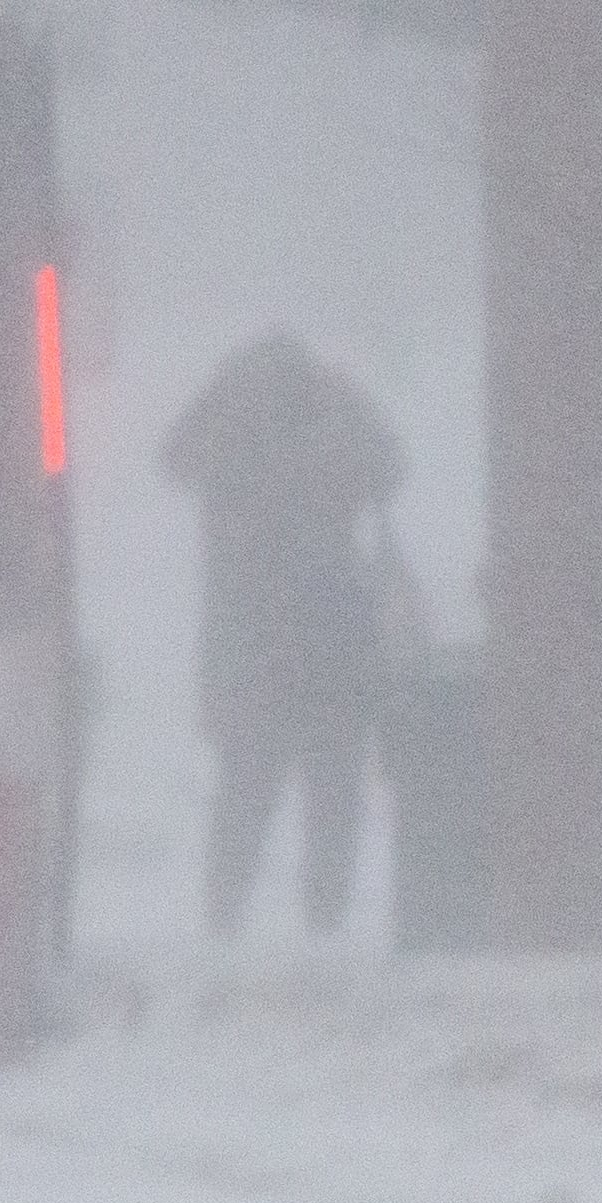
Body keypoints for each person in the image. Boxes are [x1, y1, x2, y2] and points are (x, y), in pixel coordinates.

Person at [160, 331, 403, 940]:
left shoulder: (228, 431)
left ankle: (227, 914)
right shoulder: (335, 414)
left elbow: (177, 458)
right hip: (332, 631)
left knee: (248, 783)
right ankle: (322, 918)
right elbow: (390, 467)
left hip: (253, 632)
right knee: (330, 789)